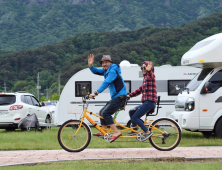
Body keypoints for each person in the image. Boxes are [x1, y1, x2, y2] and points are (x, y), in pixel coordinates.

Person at [88, 54, 127, 143]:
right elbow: (96, 71)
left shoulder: (113, 71)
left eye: (106, 62)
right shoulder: (106, 71)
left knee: (106, 113)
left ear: (110, 62)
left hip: (120, 97)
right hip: (116, 97)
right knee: (102, 112)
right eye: (103, 63)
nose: (104, 64)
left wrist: (96, 93)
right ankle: (103, 132)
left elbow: (106, 82)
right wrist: (90, 66)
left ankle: (116, 132)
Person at [127, 61, 157, 141]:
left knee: (135, 117)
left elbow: (151, 74)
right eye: (142, 68)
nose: (143, 69)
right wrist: (129, 95)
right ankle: (134, 130)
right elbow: (139, 90)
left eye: (145, 67)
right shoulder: (145, 79)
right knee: (131, 111)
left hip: (149, 102)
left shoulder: (151, 76)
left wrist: (149, 70)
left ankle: (147, 132)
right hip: (146, 103)